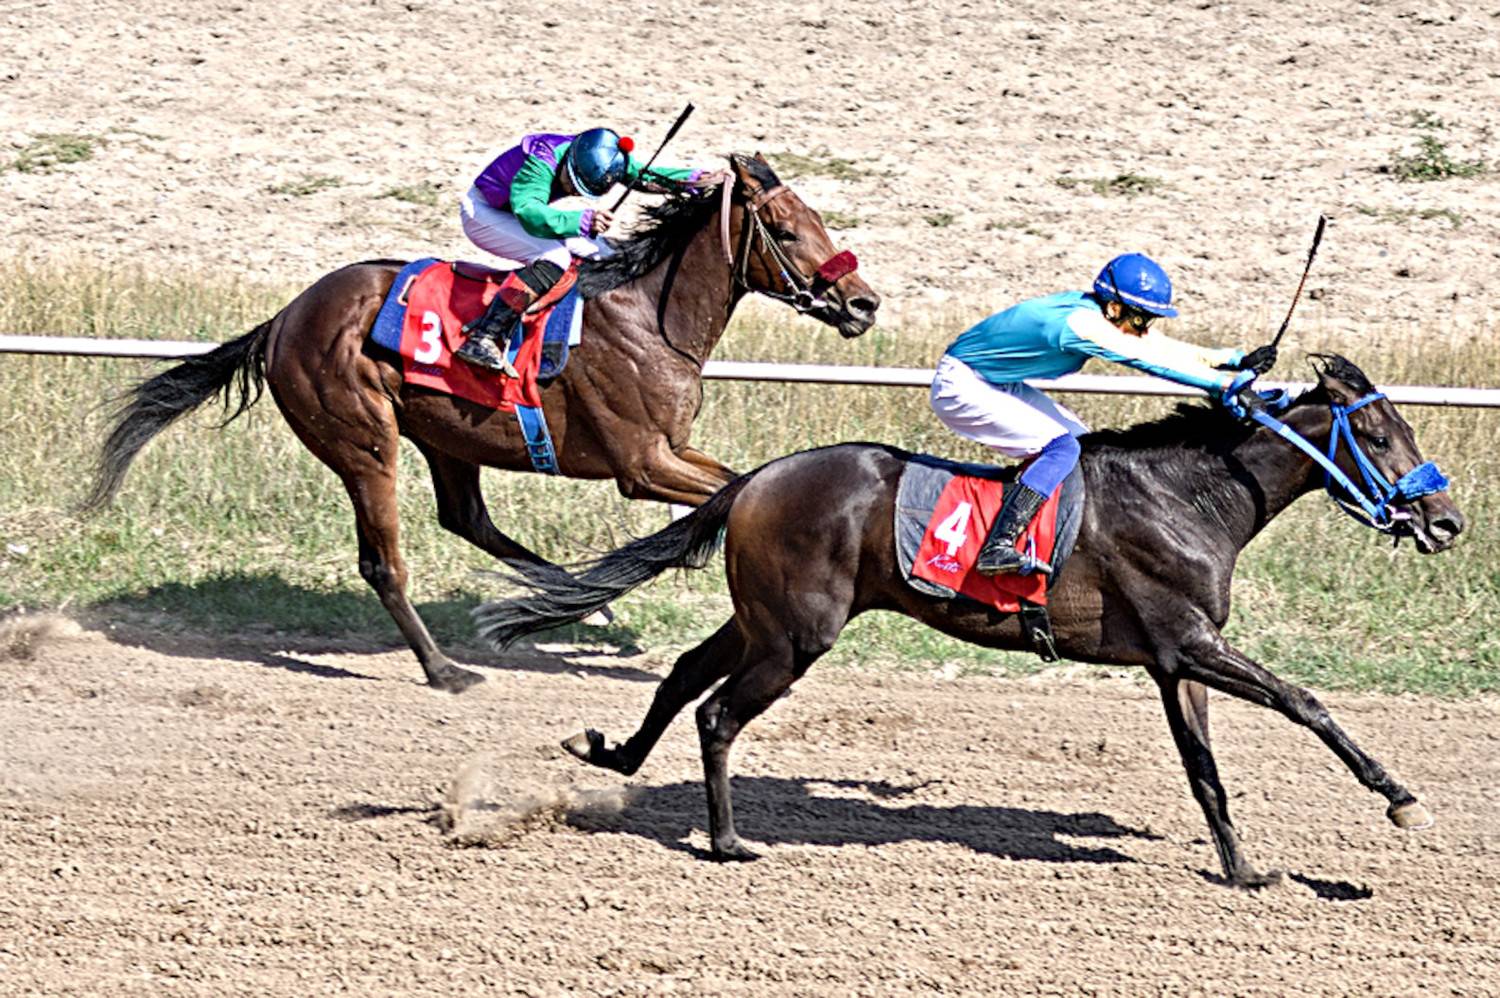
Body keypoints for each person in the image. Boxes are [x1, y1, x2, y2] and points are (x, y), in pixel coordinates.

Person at [929, 252, 1275, 576]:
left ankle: (1053, 539)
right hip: (962, 385)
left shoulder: (1100, 315)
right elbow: (1147, 359)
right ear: (1113, 307)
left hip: (996, 381)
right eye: (1140, 319)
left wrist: (1234, 359)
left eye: (1149, 319)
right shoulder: (1081, 325)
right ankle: (997, 545)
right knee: (1061, 449)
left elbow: (1154, 345)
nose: (1145, 328)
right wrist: (1223, 385)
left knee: (1084, 448)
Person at [456, 127, 703, 374]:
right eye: (573, 184)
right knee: (555, 257)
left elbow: (642, 175)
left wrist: (694, 179)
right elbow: (529, 213)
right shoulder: (541, 160)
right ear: (570, 160)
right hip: (484, 213)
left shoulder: (602, 155)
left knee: (605, 252)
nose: (574, 192)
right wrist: (582, 220)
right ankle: (483, 337)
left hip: (516, 213)